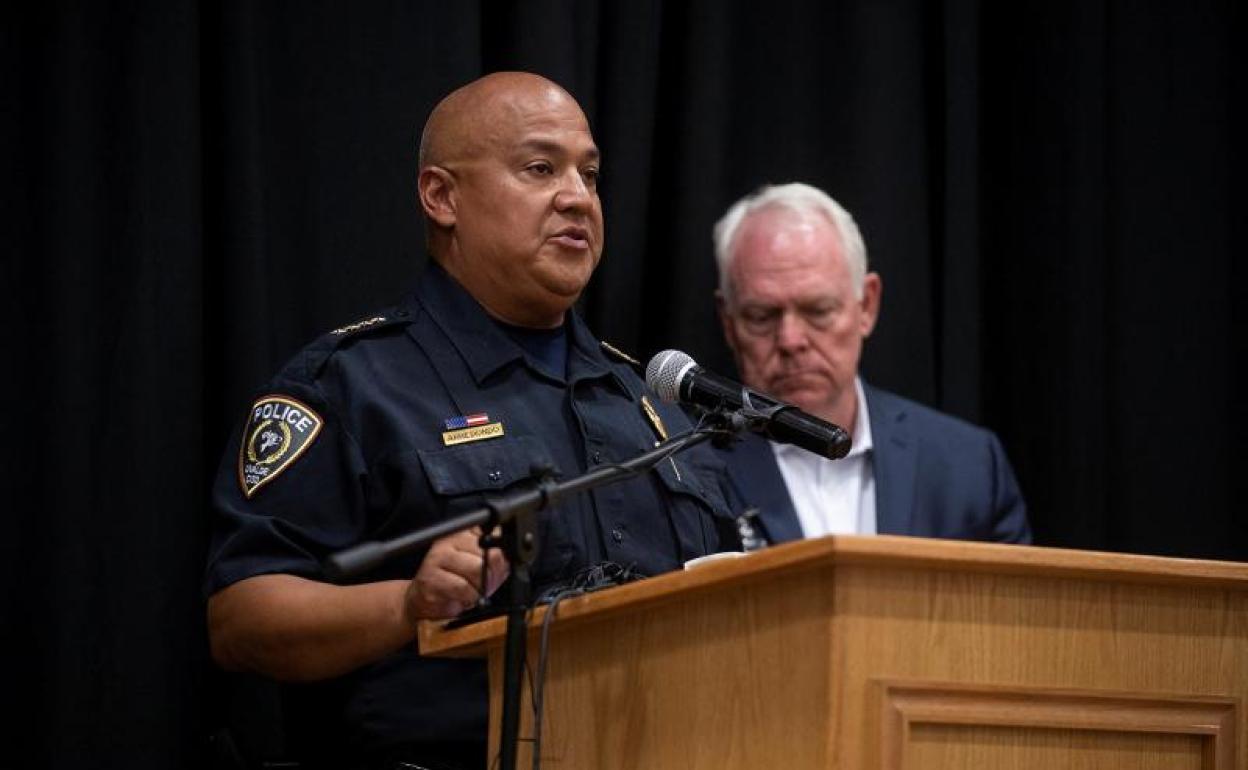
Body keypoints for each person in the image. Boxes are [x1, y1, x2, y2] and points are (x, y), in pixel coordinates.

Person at [204, 71, 738, 770]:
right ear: (442, 196)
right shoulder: (354, 386)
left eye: (591, 175)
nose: (577, 197)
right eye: (540, 169)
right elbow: (242, 618)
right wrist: (407, 605)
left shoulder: (646, 403)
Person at [711, 182, 1031, 546]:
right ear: (728, 322)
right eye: (762, 316)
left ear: (867, 306)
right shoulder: (684, 467)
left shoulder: (967, 467)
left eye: (818, 311)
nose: (790, 340)